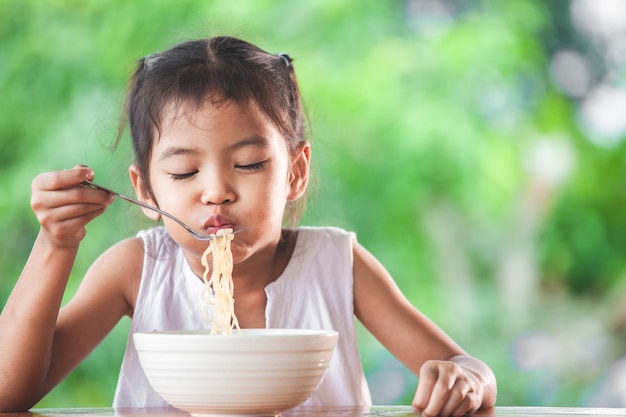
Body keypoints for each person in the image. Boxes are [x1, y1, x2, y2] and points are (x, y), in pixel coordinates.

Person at [0, 36, 496, 416]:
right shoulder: (137, 270)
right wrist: (55, 244)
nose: (215, 190)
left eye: (250, 163)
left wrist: (464, 381)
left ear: (295, 172)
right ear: (146, 190)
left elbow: (471, 369)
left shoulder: (336, 265)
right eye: (183, 172)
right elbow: (8, 392)